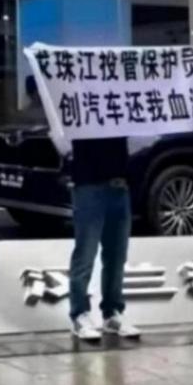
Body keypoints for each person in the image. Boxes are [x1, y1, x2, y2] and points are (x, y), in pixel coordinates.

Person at [67, 134, 140, 343]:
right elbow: (62, 138)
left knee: (117, 255)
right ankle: (79, 314)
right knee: (86, 252)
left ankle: (112, 312)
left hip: (119, 185)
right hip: (88, 184)